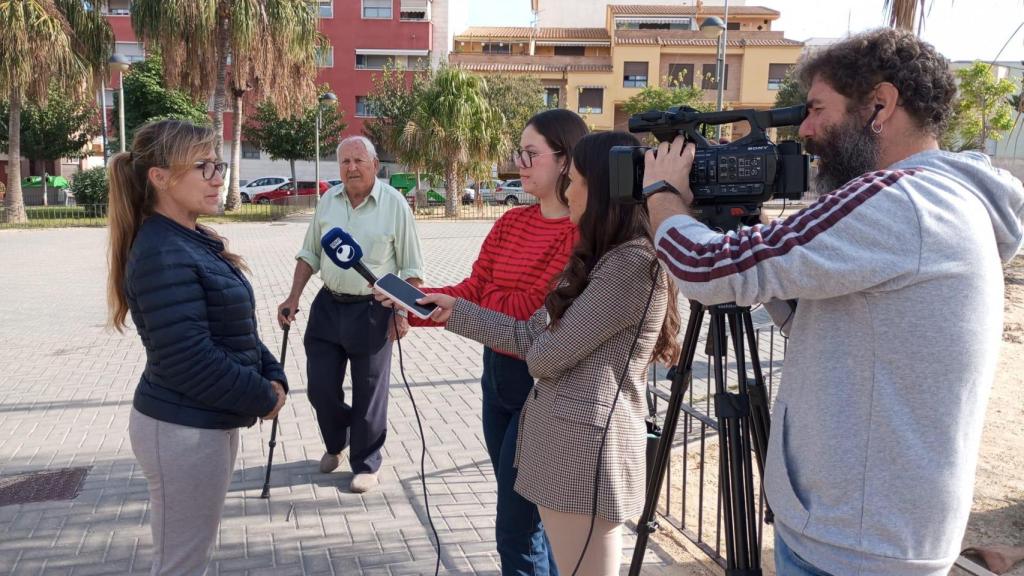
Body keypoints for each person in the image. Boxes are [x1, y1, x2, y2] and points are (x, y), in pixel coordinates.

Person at [643, 28, 1024, 576]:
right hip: (879, 529)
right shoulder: (947, 201)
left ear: (880, 105)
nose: (806, 129)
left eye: (818, 108)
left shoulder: (894, 197)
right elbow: (833, 324)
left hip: (853, 542)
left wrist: (664, 196)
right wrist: (761, 243)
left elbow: (707, 269)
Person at [386, 131, 681, 575]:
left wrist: (483, 316)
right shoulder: (603, 255)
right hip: (561, 449)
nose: (569, 190)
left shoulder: (630, 264)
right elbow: (529, 334)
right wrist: (455, 310)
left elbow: (542, 354)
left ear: (599, 188)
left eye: (576, 179)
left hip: (586, 456)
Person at [397, 108, 587, 575]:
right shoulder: (509, 224)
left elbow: (532, 317)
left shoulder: (582, 234)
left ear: (566, 160)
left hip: (543, 383)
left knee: (516, 527)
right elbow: (477, 289)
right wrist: (413, 304)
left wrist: (464, 310)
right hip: (496, 377)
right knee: (521, 514)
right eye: (517, 153)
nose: (519, 163)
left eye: (531, 153)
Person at [106, 119, 288, 575]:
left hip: (206, 420)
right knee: (180, 564)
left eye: (218, 164)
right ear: (160, 177)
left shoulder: (192, 238)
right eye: (202, 166)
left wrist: (272, 373)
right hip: (182, 429)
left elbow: (235, 326)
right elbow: (190, 359)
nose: (217, 176)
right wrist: (264, 396)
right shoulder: (162, 252)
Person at [277, 135, 425, 494]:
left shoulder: (394, 206)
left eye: (359, 161)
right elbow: (309, 253)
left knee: (370, 393)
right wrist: (293, 297)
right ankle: (337, 440)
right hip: (328, 306)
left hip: (374, 310)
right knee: (320, 388)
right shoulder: (329, 200)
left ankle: (366, 462)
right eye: (345, 162)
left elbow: (411, 267)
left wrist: (402, 314)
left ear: (375, 165)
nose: (352, 168)